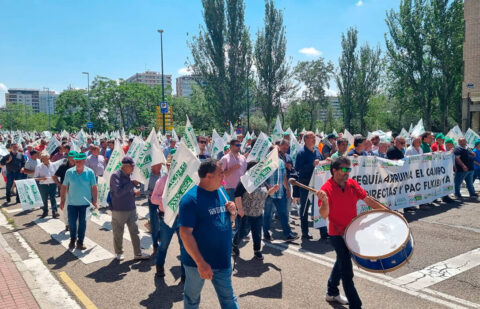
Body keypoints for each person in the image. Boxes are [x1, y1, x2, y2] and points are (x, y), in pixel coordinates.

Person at [316, 157, 389, 308]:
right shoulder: (326, 189)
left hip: (352, 231)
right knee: (347, 272)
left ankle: (331, 292)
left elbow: (368, 200)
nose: (347, 172)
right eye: (343, 169)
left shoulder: (352, 184)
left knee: (342, 261)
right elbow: (324, 214)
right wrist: (325, 202)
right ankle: (356, 305)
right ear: (334, 170)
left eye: (348, 169)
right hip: (337, 234)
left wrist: (389, 213)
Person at [179, 159, 238, 309]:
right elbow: (185, 234)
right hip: (196, 263)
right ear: (208, 176)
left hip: (222, 259)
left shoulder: (221, 192)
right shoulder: (190, 199)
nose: (224, 177)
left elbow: (226, 221)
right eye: (220, 174)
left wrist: (233, 214)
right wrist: (201, 263)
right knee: (192, 299)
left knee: (229, 299)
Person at [233, 161, 280, 260]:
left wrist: (274, 189)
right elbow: (237, 195)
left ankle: (257, 250)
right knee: (243, 232)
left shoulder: (262, 181)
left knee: (257, 233)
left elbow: (267, 194)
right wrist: (240, 209)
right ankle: (235, 244)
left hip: (258, 213)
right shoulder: (244, 181)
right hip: (246, 213)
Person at [150, 155, 185, 280]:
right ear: (168, 166)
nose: (173, 167)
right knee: (164, 244)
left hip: (182, 218)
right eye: (171, 165)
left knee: (184, 246)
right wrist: (167, 200)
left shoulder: (184, 180)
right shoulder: (161, 181)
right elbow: (153, 199)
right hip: (166, 218)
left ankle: (184, 273)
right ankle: (159, 267)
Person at [109, 156, 150, 261]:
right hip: (119, 209)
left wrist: (135, 190)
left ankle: (138, 253)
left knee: (135, 232)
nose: (133, 168)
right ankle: (119, 252)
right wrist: (132, 184)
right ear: (126, 166)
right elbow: (118, 193)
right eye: (132, 166)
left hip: (131, 208)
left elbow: (129, 189)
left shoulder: (131, 175)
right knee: (118, 232)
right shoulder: (115, 176)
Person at [60, 152, 97, 251]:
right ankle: (72, 239)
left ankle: (80, 241)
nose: (78, 163)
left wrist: (95, 201)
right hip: (72, 203)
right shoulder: (69, 172)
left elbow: (94, 187)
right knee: (71, 223)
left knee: (82, 224)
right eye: (76, 161)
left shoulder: (90, 172)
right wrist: (62, 200)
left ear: (84, 161)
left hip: (85, 204)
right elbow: (64, 186)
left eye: (80, 161)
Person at [294, 131, 327, 240]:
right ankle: (304, 231)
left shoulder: (317, 152)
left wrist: (326, 161)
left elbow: (322, 165)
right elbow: (297, 169)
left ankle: (323, 231)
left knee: (320, 205)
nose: (314, 139)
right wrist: (311, 165)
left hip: (318, 183)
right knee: (305, 207)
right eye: (312, 138)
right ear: (306, 139)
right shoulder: (301, 153)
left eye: (314, 138)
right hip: (305, 183)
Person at [263, 147, 298, 242]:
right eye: (276, 151)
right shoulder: (265, 162)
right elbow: (262, 179)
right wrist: (268, 186)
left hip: (280, 193)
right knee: (267, 215)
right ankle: (266, 233)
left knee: (283, 213)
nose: (278, 152)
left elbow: (284, 177)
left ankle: (288, 234)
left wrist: (287, 189)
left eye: (278, 151)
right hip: (269, 193)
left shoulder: (281, 162)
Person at [53, 151, 77, 231]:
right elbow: (54, 177)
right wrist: (60, 185)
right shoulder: (63, 166)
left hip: (77, 190)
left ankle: (74, 223)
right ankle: (67, 224)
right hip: (66, 190)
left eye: (74, 157)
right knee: (66, 207)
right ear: (68, 157)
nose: (72, 159)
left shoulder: (79, 165)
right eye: (70, 157)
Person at [34, 152, 59, 218]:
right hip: (43, 185)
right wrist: (42, 178)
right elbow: (35, 178)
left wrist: (56, 177)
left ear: (49, 158)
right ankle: (45, 211)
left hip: (52, 184)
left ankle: (54, 211)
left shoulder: (53, 165)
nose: (44, 160)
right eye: (42, 159)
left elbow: (57, 174)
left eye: (45, 158)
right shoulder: (39, 166)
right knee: (44, 199)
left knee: (52, 198)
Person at [147, 162, 163, 257]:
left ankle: (161, 242)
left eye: (161, 164)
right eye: (158, 165)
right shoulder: (148, 176)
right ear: (152, 166)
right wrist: (151, 192)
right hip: (152, 202)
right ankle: (155, 245)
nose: (160, 166)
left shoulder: (164, 174)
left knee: (162, 223)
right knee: (154, 224)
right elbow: (142, 190)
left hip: (162, 202)